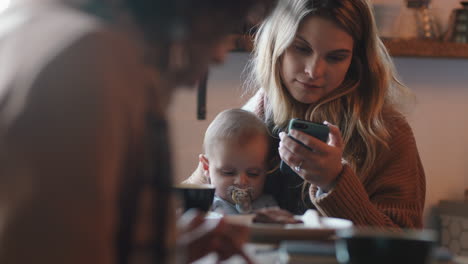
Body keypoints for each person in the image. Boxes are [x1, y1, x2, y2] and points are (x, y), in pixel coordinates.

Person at [0, 0, 275, 263]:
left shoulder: (44, 25)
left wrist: (166, 252)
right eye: (220, 23)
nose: (219, 54)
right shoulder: (89, 65)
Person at [185, 0, 426, 228]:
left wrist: (335, 182)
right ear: (275, 46)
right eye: (301, 48)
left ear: (356, 60)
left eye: (336, 57)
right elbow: (188, 204)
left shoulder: (387, 133)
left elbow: (405, 246)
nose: (314, 71)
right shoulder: (252, 117)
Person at [199, 109, 277, 214]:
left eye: (253, 174)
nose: (241, 182)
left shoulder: (268, 206)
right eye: (228, 172)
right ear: (206, 167)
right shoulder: (206, 205)